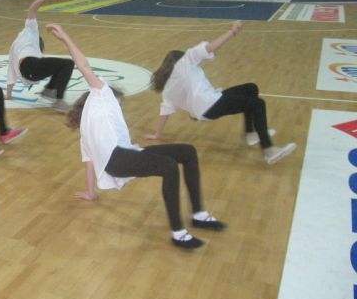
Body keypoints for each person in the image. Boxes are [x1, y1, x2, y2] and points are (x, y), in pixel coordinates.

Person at [47, 23, 225, 249]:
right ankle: (178, 233)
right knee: (169, 166)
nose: (120, 104)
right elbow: (83, 65)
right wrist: (65, 37)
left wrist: (91, 193)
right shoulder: (102, 95)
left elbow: (88, 163)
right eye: (120, 101)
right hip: (118, 158)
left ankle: (199, 214)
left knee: (187, 152)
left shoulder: (87, 129)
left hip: (126, 155)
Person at [146, 21, 296, 165]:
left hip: (209, 103)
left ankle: (250, 134)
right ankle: (268, 150)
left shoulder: (168, 89)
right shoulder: (185, 61)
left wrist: (157, 134)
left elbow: (165, 111)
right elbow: (209, 48)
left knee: (251, 88)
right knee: (258, 104)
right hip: (210, 104)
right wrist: (232, 32)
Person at [6, 0, 74, 112]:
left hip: (29, 73)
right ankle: (58, 100)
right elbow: (32, 9)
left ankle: (48, 91)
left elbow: (10, 74)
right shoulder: (30, 30)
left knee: (59, 66)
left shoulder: (14, 47)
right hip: (30, 66)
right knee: (68, 63)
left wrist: (8, 94)